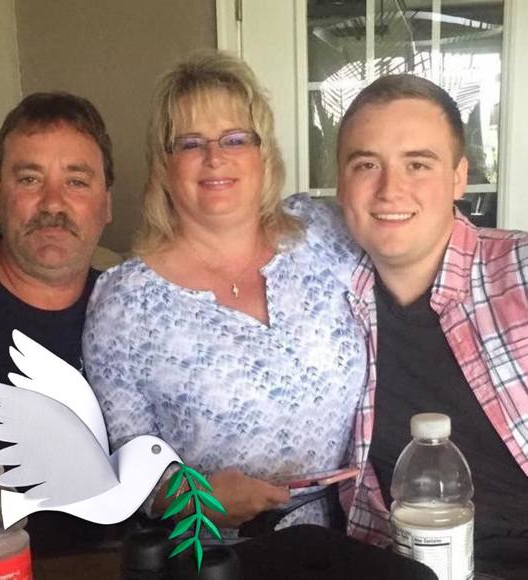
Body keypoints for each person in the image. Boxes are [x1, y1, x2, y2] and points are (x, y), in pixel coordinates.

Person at [83, 51, 366, 537]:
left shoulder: (323, 236)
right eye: (190, 143)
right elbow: (128, 459)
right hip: (217, 552)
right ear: (163, 166)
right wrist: (196, 497)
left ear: (264, 154)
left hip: (356, 532)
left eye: (235, 139)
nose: (215, 158)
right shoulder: (125, 303)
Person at [335, 74, 528, 578]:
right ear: (340, 183)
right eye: (366, 165)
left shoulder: (520, 272)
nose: (389, 190)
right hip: (398, 565)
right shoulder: (324, 291)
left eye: (417, 164)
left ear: (459, 178)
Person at [0, 91, 113, 555]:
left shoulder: (130, 311)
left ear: (106, 205)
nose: (52, 204)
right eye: (29, 179)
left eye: (76, 181)